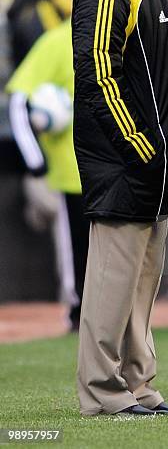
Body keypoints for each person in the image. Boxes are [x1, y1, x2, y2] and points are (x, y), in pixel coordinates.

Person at [72, 0, 168, 416]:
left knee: (142, 289)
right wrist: (137, 143)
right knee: (110, 287)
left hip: (160, 166)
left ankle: (138, 386)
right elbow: (97, 70)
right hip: (125, 162)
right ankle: (102, 393)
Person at [6, 19, 89, 331]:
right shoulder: (58, 40)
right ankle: (77, 312)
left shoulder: (121, 34)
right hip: (71, 171)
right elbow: (18, 98)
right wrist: (34, 159)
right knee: (76, 249)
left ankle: (111, 316)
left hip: (115, 168)